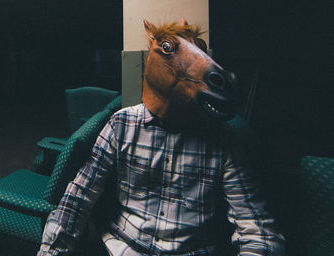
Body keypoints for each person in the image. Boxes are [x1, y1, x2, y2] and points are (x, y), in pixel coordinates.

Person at [37, 19, 284, 256]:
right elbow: (78, 198)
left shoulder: (222, 140)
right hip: (122, 248)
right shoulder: (122, 124)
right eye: (167, 47)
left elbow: (255, 226)